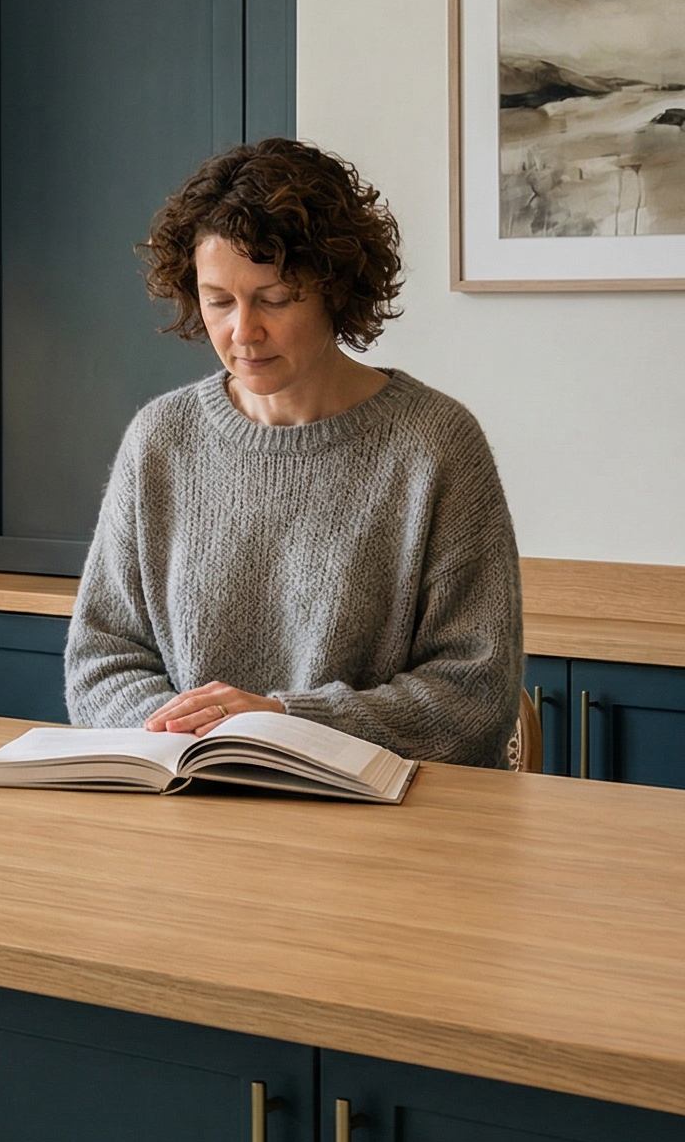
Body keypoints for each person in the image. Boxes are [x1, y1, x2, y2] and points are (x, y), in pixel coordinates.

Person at [64, 137, 522, 766]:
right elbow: (101, 660)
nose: (241, 331)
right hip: (191, 810)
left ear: (336, 289)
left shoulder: (435, 446)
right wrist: (186, 738)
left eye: (274, 299)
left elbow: (475, 699)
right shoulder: (161, 439)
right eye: (218, 300)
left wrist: (282, 723)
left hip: (379, 835)